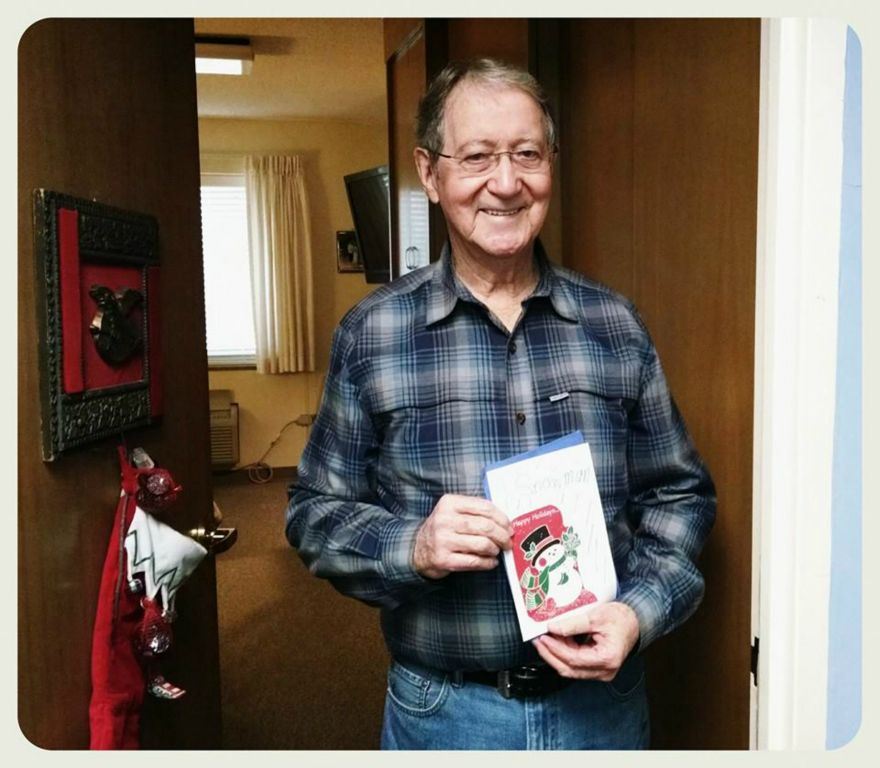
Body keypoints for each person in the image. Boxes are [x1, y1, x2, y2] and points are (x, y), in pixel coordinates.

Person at [286, 58, 716, 751]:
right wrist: (413, 546)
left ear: (551, 164)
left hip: (603, 710)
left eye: (527, 155)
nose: (507, 184)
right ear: (429, 173)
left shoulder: (615, 325)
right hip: (446, 714)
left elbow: (680, 495)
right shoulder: (373, 334)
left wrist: (639, 613)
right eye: (478, 157)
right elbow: (313, 513)